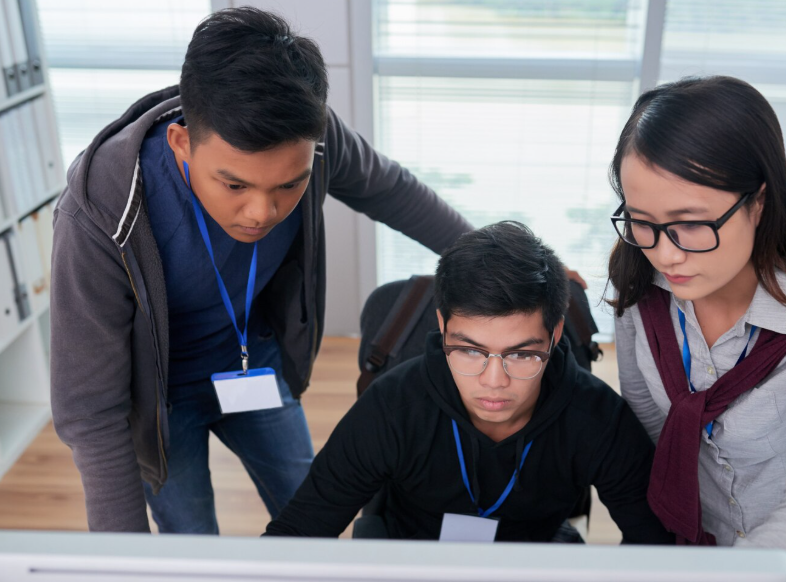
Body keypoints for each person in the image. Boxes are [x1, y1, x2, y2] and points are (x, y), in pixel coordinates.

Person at [50, 7, 474, 534]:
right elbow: (91, 412)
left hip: (254, 364)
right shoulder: (99, 210)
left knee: (312, 516)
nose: (262, 213)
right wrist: (119, 558)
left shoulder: (312, 137)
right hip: (159, 402)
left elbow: (390, 189)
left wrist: (497, 257)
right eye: (235, 185)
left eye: (288, 186)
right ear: (183, 143)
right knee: (191, 543)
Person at [609, 76, 786, 582]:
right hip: (693, 549)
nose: (665, 254)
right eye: (642, 221)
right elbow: (648, 420)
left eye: (692, 224)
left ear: (757, 203)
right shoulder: (638, 289)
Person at [264, 221, 673, 544]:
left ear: (554, 334)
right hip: (413, 553)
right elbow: (299, 531)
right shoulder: (392, 407)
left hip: (531, 559)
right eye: (471, 351)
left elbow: (652, 546)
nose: (494, 382)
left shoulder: (598, 418)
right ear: (442, 327)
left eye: (522, 354)